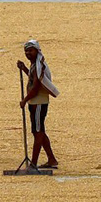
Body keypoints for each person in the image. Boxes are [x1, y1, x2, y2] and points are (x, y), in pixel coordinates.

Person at [18, 40, 60, 170]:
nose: (28, 53)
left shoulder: (38, 65)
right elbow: (32, 78)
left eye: (30, 50)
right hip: (35, 102)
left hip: (38, 102)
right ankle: (51, 159)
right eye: (26, 51)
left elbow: (36, 86)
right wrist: (24, 68)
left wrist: (25, 99)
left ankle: (33, 163)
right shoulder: (34, 65)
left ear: (37, 50)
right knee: (39, 131)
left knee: (38, 132)